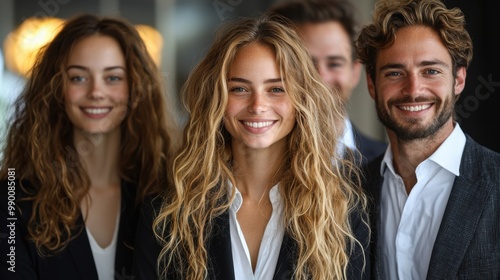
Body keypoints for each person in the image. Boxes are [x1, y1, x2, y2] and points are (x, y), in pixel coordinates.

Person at [134, 14, 369, 280]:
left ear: (301, 99)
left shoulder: (342, 212)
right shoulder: (168, 212)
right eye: (239, 89)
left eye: (276, 89)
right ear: (217, 99)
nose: (257, 106)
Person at [0, 14, 177, 280]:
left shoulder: (169, 192)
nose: (96, 91)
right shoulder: (11, 196)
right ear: (56, 87)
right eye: (79, 78)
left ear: (135, 88)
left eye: (113, 78)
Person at [355, 0, 500, 279]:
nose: (413, 89)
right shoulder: (348, 192)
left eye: (430, 71)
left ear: (458, 80)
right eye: (395, 73)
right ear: (372, 84)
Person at [268, 0, 387, 165]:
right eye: (305, 64)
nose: (320, 78)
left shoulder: (388, 163)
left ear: (355, 71)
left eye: (334, 64)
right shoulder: (250, 161)